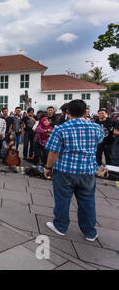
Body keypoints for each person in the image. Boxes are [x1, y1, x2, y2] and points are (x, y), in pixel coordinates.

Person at [44, 100, 104, 242]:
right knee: (88, 201)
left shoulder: (60, 129)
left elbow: (53, 152)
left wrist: (48, 168)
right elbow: (99, 142)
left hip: (65, 171)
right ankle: (90, 232)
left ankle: (60, 226)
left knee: (62, 200)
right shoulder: (96, 128)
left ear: (67, 112)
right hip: (87, 171)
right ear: (85, 112)